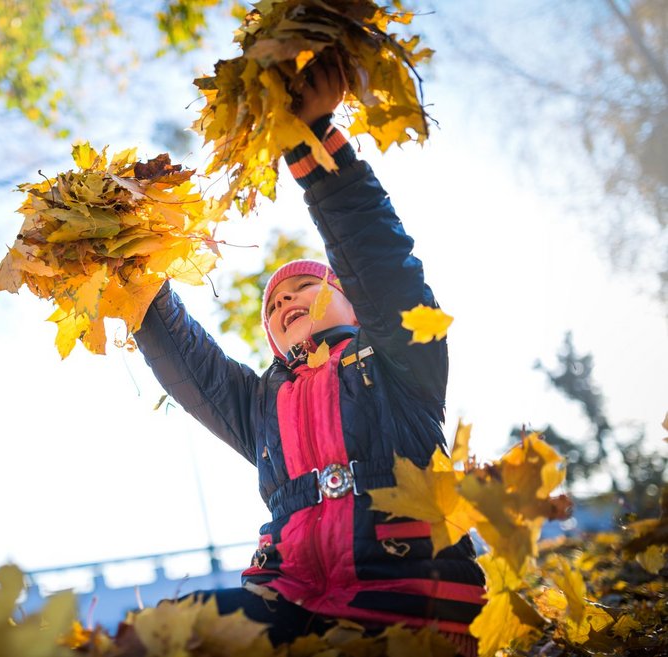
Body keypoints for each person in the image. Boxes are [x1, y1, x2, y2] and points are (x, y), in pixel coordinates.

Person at [133, 63, 486, 655]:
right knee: (173, 630)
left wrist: (313, 135)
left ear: (353, 301)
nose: (287, 299)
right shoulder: (261, 406)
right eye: (274, 303)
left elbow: (377, 255)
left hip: (411, 601)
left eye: (305, 287)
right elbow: (189, 365)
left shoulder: (399, 356)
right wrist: (132, 282)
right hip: (288, 599)